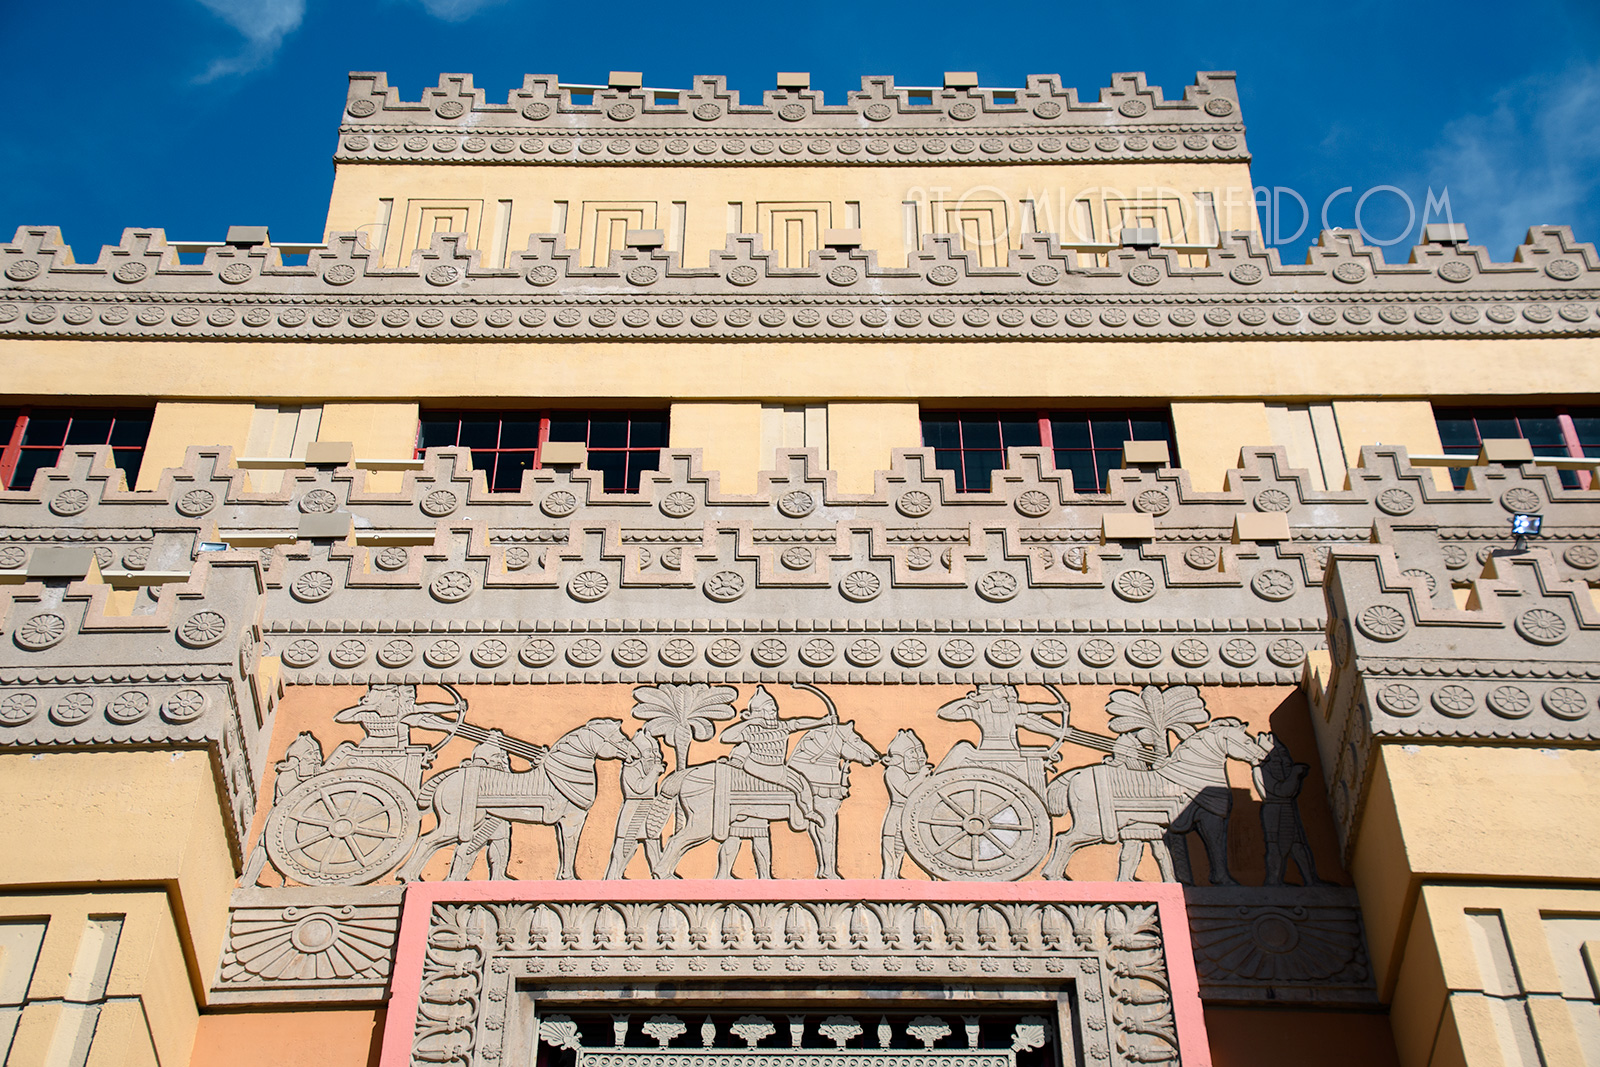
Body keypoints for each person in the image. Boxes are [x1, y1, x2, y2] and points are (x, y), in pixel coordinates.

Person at [720, 685, 834, 825]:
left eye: (774, 709)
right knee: (797, 786)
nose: (774, 712)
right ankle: (808, 812)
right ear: (759, 713)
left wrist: (823, 721)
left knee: (802, 781)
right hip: (757, 765)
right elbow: (726, 737)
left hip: (777, 766)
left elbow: (798, 723)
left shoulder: (782, 727)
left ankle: (809, 811)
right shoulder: (751, 729)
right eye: (769, 710)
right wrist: (750, 722)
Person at [242, 732, 324, 885]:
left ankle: (282, 880)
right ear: (297, 760)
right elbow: (295, 800)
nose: (315, 760)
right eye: (310, 756)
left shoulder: (305, 776)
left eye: (316, 756)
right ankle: (249, 880)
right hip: (283, 819)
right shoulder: (287, 776)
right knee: (265, 846)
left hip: (296, 821)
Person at [1253, 732, 1328, 886]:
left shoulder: (1277, 765)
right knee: (1277, 846)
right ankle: (1274, 881)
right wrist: (1295, 774)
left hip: (1287, 808)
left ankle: (1311, 880)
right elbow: (1281, 791)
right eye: (1278, 758)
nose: (1282, 762)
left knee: (1298, 846)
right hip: (1276, 810)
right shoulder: (1261, 769)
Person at [936, 684, 1069, 752]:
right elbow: (944, 713)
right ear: (990, 695)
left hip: (1010, 751)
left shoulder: (1012, 708)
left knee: (1028, 719)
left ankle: (1056, 731)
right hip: (986, 752)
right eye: (1001, 692)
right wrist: (965, 702)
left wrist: (1056, 708)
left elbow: (1033, 708)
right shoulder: (977, 709)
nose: (1006, 695)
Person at [331, 684, 465, 748]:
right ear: (380, 698)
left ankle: (448, 726)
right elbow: (340, 717)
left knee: (416, 718)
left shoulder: (402, 712)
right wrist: (368, 706)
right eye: (392, 695)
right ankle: (449, 726)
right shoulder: (368, 715)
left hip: (395, 752)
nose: (396, 697)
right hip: (368, 750)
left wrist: (453, 708)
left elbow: (426, 708)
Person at [880, 729, 932, 878]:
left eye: (918, 752)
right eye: (912, 753)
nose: (917, 757)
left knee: (909, 845)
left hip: (912, 814)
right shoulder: (894, 771)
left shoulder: (913, 773)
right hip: (898, 814)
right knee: (894, 846)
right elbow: (906, 790)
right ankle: (890, 875)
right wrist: (921, 776)